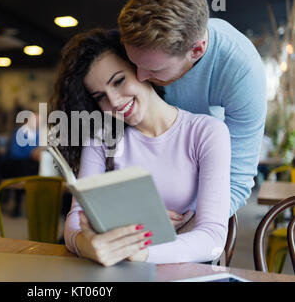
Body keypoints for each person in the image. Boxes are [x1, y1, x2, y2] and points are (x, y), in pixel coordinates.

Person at [52, 28, 231, 266]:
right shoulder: (102, 139)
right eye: (100, 96)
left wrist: (142, 251)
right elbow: (75, 220)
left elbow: (213, 239)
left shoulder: (205, 132)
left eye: (118, 81)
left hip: (182, 271)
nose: (114, 101)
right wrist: (87, 245)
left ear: (142, 69)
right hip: (118, 270)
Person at [117, 0, 267, 219]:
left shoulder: (242, 72)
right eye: (134, 63)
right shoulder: (141, 45)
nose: (139, 78)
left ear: (196, 50)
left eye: (154, 70)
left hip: (199, 195)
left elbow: (236, 180)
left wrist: (192, 220)